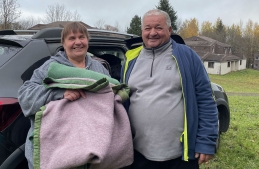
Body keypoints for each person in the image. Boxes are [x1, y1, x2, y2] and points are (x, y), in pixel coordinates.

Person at [120, 9, 219, 169]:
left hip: (180, 156)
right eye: (147, 28)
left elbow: (205, 100)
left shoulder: (187, 56)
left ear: (170, 30)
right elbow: (122, 99)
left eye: (158, 27)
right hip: (139, 153)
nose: (152, 33)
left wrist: (206, 141)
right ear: (142, 31)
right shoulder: (131, 60)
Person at [18, 22, 110, 169]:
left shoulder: (99, 68)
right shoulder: (51, 67)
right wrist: (58, 92)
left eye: (82, 37)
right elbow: (25, 96)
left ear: (88, 40)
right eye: (72, 38)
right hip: (55, 152)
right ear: (63, 43)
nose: (78, 42)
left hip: (91, 150)